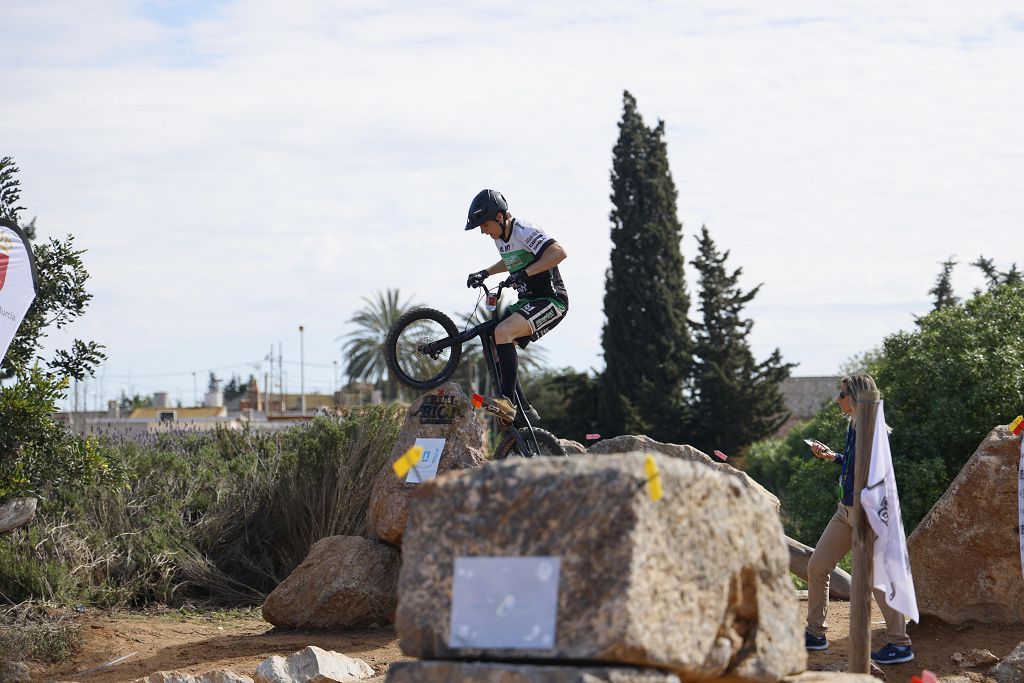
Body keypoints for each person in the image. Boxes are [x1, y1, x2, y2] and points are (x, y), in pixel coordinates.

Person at [804, 373, 914, 664]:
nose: (838, 399)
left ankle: (900, 644)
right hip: (845, 512)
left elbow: (878, 475)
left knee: (877, 579)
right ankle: (815, 634)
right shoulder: (854, 425)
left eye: (842, 394)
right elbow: (854, 464)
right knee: (817, 565)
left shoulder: (873, 430)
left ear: (856, 396)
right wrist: (832, 457)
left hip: (867, 515)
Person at [464, 189, 568, 425]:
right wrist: (485, 272)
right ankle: (524, 410)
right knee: (492, 338)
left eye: (485, 225)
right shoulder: (501, 238)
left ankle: (507, 401)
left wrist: (525, 273)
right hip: (529, 301)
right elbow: (510, 260)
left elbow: (559, 252)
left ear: (499, 217)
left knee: (503, 332)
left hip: (551, 300)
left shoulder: (524, 230)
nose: (483, 231)